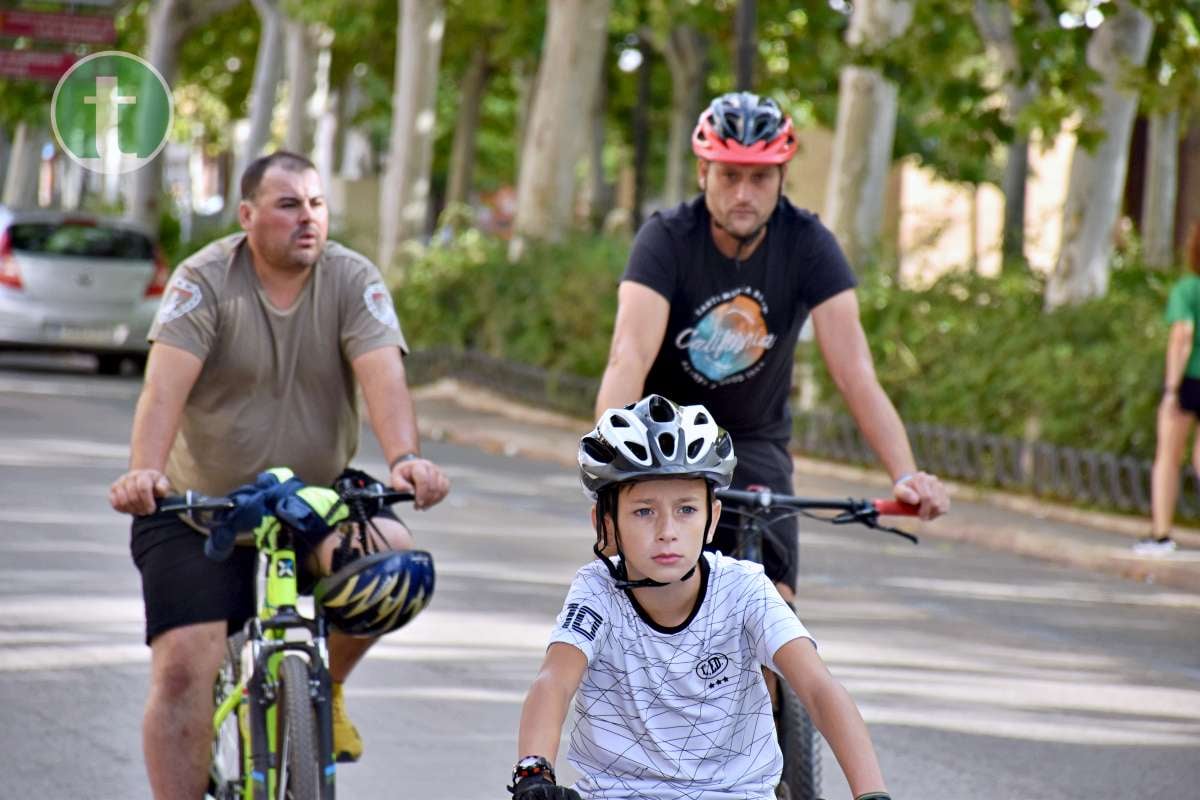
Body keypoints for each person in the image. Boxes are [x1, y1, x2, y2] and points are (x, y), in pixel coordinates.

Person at [108, 150, 450, 799]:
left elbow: (384, 376)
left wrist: (406, 459)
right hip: (197, 506)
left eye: (316, 204)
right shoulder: (205, 280)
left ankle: (333, 684)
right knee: (184, 670)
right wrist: (143, 474)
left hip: (310, 497)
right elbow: (162, 392)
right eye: (289, 204)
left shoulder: (351, 278)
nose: (308, 218)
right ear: (248, 214)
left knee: (395, 562)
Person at [594, 91, 949, 604]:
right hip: (663, 439)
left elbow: (854, 371)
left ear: (782, 179)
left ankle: (772, 684)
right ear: (703, 174)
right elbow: (627, 356)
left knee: (773, 608)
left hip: (754, 444)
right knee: (654, 600)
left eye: (760, 177)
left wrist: (906, 474)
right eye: (729, 175)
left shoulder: (808, 243)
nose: (744, 192)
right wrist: (610, 464)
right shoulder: (666, 239)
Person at [509, 394, 893, 800]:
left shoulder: (744, 589)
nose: (667, 530)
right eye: (643, 511)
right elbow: (554, 682)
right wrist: (534, 773)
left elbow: (818, 688)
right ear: (605, 523)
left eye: (686, 509)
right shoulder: (597, 591)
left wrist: (871, 794)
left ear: (713, 518)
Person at [1142, 222, 1200, 554]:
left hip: (1190, 381)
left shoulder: (1188, 289)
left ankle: (1161, 534)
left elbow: (1182, 336)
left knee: (1168, 456)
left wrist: (1171, 389)